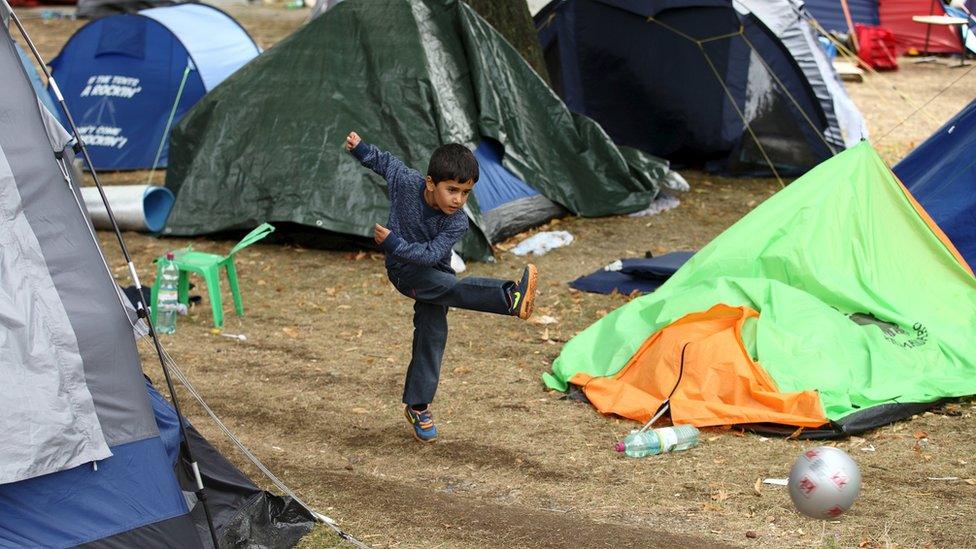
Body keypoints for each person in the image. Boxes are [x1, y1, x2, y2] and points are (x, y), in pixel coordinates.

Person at [346, 131, 538, 443]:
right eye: (452, 190)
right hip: (405, 271)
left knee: (432, 335)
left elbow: (432, 255)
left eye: (465, 193)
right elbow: (385, 163)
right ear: (430, 182)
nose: (458, 200)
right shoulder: (406, 183)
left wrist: (393, 241)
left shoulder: (457, 221)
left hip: (433, 271)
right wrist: (360, 148)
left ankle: (417, 405)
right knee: (450, 286)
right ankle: (508, 297)